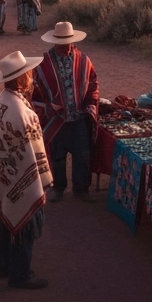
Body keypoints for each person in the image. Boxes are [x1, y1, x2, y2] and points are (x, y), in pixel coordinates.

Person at [0, 50, 52, 290]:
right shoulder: (22, 112)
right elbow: (32, 151)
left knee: (5, 215)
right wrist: (41, 178)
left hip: (7, 175)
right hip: (22, 178)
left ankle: (4, 265)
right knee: (24, 221)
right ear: (21, 79)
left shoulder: (4, 100)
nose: (32, 77)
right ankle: (20, 274)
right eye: (28, 74)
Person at [32, 22, 99, 201]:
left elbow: (93, 84)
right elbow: (34, 91)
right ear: (55, 42)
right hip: (56, 120)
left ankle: (81, 188)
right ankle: (58, 187)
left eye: (68, 42)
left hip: (78, 118)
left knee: (82, 154)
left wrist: (90, 106)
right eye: (62, 42)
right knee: (57, 155)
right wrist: (48, 106)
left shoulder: (83, 60)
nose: (66, 46)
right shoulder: (43, 65)